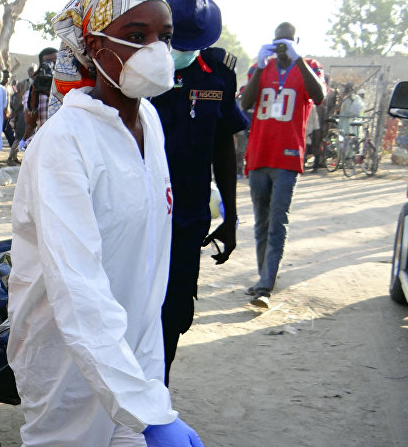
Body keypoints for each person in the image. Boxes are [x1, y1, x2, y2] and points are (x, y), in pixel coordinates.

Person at [8, 1, 205, 446]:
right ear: (95, 47)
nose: (156, 50)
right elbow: (78, 289)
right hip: (67, 368)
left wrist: (147, 390)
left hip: (134, 357)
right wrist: (147, 413)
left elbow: (146, 269)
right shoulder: (64, 142)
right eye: (137, 37)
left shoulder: (149, 123)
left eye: (165, 37)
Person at [150, 0, 249, 382]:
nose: (183, 49)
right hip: (135, 218)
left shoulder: (219, 75)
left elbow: (223, 144)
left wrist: (231, 217)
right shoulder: (136, 69)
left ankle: (156, 400)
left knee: (174, 314)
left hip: (187, 221)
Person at [240, 22, 326, 307]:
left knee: (278, 221)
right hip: (259, 155)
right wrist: (260, 63)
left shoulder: (309, 66)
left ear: (297, 42)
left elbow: (319, 96)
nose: (282, 48)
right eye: (279, 42)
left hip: (287, 158)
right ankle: (263, 277)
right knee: (261, 222)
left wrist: (299, 59)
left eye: (288, 42)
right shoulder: (261, 67)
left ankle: (265, 285)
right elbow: (245, 103)